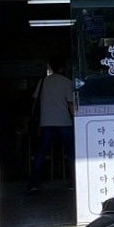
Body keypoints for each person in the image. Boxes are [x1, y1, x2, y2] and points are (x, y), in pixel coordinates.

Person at [28, 57, 75, 193]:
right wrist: (75, 118)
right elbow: (71, 104)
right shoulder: (67, 82)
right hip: (64, 121)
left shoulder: (43, 81)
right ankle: (73, 182)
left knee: (41, 152)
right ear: (62, 68)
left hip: (46, 121)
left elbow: (35, 101)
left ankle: (33, 184)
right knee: (71, 152)